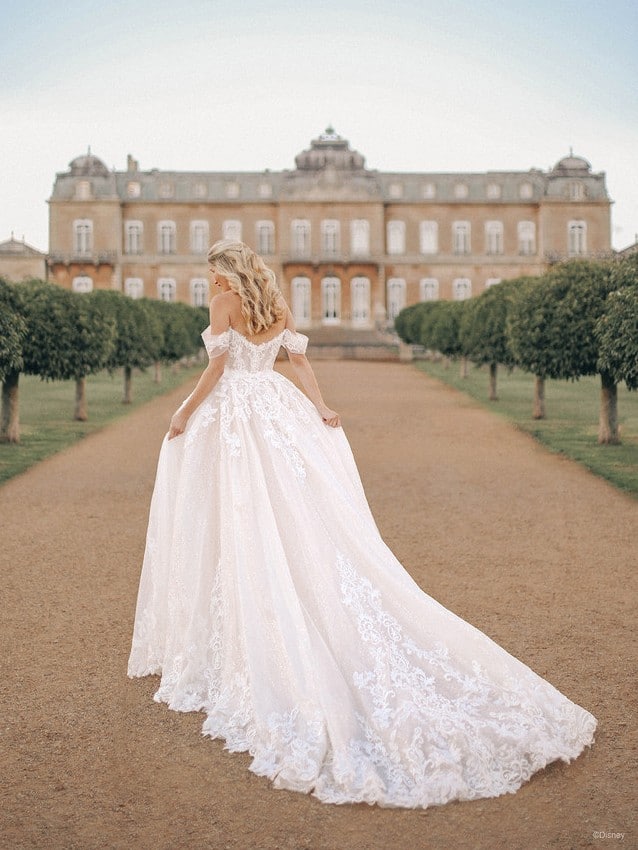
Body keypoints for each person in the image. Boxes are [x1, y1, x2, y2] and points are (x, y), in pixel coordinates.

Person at [127, 240, 596, 809]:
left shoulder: (223, 304)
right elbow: (299, 362)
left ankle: (256, 597)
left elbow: (218, 368)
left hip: (236, 414)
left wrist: (184, 411)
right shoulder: (276, 305)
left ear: (224, 273)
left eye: (212, 272)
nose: (210, 280)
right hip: (274, 409)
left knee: (242, 511)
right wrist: (320, 408)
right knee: (294, 509)